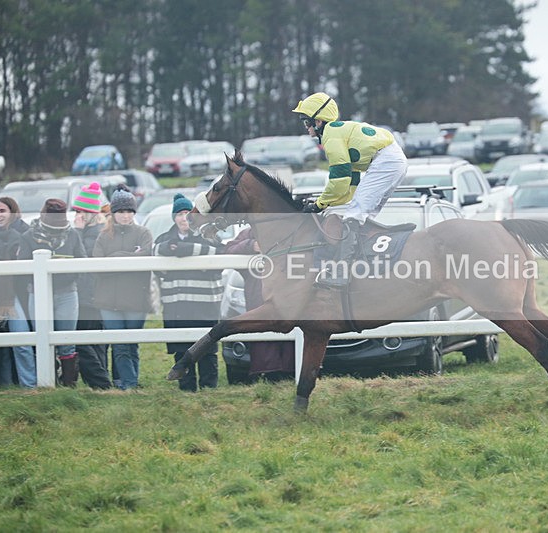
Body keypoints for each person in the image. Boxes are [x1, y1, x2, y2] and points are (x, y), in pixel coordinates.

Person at [292, 92, 408, 288]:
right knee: (360, 215)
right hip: (393, 160)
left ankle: (342, 273)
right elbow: (349, 189)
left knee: (354, 216)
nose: (306, 128)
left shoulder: (331, 136)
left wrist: (320, 203)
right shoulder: (341, 133)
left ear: (318, 121)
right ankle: (363, 258)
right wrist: (323, 203)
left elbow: (339, 179)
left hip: (386, 161)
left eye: (306, 122)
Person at [153, 193, 224, 392]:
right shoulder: (164, 239)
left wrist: (182, 250)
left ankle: (209, 388)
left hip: (205, 304)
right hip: (177, 304)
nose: (184, 218)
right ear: (174, 218)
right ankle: (186, 389)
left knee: (207, 348)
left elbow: (218, 255)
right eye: (179, 214)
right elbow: (157, 256)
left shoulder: (209, 236)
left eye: (187, 213)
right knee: (181, 348)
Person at [18, 198, 87, 386]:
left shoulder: (72, 235)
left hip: (67, 292)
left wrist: (69, 276)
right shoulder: (28, 236)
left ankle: (69, 384)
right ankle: (47, 381)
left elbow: (82, 261)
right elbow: (22, 267)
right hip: (38, 293)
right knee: (41, 337)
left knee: (67, 339)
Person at [92, 185, 153, 390]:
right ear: (113, 213)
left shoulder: (144, 233)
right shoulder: (103, 236)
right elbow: (98, 266)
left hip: (136, 299)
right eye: (120, 211)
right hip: (109, 301)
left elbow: (145, 258)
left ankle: (130, 382)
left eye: (129, 211)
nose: (125, 216)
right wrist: (128, 256)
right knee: (119, 345)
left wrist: (115, 259)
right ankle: (129, 384)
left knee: (132, 344)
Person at [223, 226, 295, 380]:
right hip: (259, 300)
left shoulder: (290, 229)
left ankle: (290, 373)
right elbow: (228, 249)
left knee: (290, 341)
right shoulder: (249, 233)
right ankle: (268, 375)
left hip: (288, 300)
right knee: (264, 341)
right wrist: (251, 245)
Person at [71, 182, 112, 389]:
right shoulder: (96, 229)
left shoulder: (92, 233)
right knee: (96, 341)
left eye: (80, 211)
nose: (77, 214)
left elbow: (81, 258)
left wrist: (76, 232)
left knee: (83, 340)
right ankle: (101, 384)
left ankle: (100, 383)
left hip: (88, 296)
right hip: (91, 296)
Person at [0, 199, 22, 386]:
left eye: (2, 211)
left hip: (15, 294)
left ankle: (13, 382)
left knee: (17, 341)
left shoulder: (20, 233)